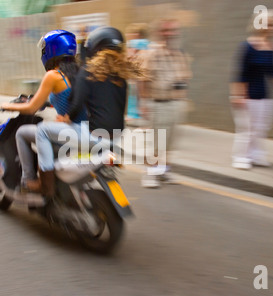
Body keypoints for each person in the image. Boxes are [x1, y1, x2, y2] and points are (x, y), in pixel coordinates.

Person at [33, 26, 145, 198]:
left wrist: (66, 117)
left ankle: (45, 185)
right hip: (116, 136)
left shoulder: (88, 72)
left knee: (42, 131)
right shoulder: (121, 77)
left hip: (94, 135)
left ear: (95, 49)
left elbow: (77, 104)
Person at [0, 30, 87, 192]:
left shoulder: (53, 75)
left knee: (21, 133)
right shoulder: (79, 72)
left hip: (70, 132)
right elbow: (72, 98)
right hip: (85, 130)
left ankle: (29, 179)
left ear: (51, 50)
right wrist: (50, 103)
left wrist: (8, 106)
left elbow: (31, 108)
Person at [230, 9, 273, 171]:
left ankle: (256, 154)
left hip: (265, 95)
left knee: (261, 128)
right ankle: (240, 157)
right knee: (246, 129)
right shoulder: (247, 46)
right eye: (271, 24)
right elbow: (240, 73)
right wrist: (238, 95)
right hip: (247, 94)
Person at [137, 18, 193, 188]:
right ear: (159, 32)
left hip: (175, 102)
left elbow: (185, 76)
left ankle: (164, 171)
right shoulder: (151, 53)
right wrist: (144, 104)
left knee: (170, 142)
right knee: (156, 142)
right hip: (157, 103)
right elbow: (142, 80)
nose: (170, 34)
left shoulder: (179, 53)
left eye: (173, 30)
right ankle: (150, 174)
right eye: (166, 30)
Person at [125, 23, 150, 125]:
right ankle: (134, 114)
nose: (129, 35)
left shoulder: (139, 44)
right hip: (137, 75)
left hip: (140, 75)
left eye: (131, 33)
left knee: (140, 95)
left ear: (137, 34)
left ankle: (140, 116)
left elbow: (131, 57)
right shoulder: (142, 44)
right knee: (135, 94)